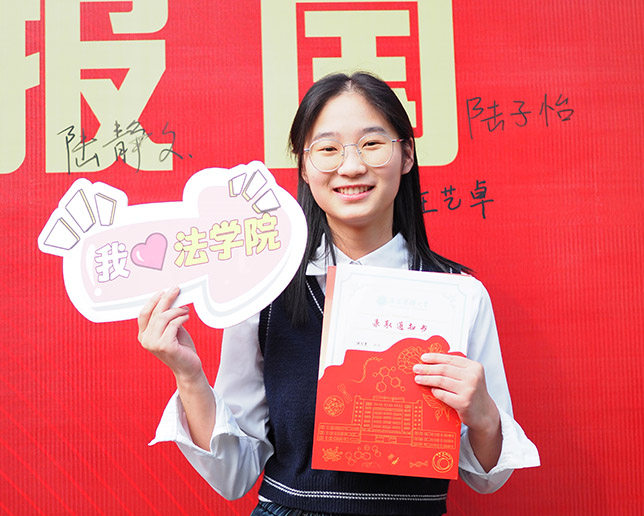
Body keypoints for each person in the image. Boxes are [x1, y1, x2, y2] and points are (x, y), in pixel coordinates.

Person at [138, 72, 540, 516]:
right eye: (328, 149)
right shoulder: (266, 290)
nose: (351, 167)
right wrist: (189, 376)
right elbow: (234, 475)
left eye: (372, 144)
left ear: (406, 154)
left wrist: (482, 414)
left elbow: (486, 477)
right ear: (304, 166)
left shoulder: (459, 295)